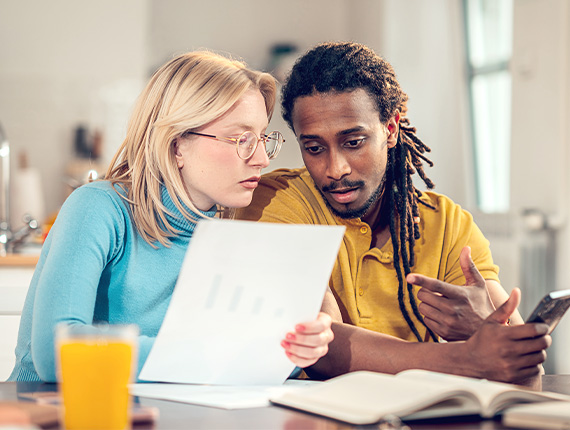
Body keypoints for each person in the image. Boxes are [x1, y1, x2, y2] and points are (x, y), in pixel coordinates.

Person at [236, 42, 550, 386]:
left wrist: (484, 330)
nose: (335, 168)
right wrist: (467, 358)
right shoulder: (275, 201)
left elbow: (526, 370)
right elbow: (320, 345)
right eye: (314, 148)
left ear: (391, 129)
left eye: (353, 142)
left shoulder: (447, 223)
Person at [8, 51, 333, 382]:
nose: (262, 158)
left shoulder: (225, 237)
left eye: (262, 138)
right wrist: (211, 352)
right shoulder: (99, 208)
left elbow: (245, 357)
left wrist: (299, 347)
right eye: (241, 139)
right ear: (177, 145)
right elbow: (56, 351)